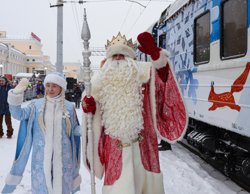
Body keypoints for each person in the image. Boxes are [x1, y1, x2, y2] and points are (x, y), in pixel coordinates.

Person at [81, 32, 188, 194]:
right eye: (114, 55)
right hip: (114, 147)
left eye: (122, 55)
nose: (118, 59)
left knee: (145, 186)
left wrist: (157, 57)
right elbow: (92, 110)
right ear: (109, 59)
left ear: (131, 58)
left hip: (143, 144)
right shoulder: (99, 80)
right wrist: (89, 106)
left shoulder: (144, 74)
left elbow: (163, 83)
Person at [2, 72, 81, 194]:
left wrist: (87, 126)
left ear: (61, 87)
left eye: (54, 86)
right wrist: (15, 95)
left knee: (63, 188)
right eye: (48, 85)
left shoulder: (69, 107)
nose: (50, 89)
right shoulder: (35, 105)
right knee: (42, 188)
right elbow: (18, 114)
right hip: (41, 159)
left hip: (64, 159)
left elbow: (75, 129)